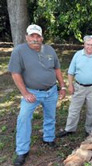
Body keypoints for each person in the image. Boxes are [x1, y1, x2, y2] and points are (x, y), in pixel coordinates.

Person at [8, 24, 66, 166]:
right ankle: (22, 151)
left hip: (51, 91)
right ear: (26, 37)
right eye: (32, 36)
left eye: (38, 36)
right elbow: (15, 73)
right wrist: (25, 93)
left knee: (50, 115)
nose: (35, 39)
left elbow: (57, 68)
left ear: (42, 37)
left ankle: (49, 138)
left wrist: (62, 86)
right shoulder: (19, 51)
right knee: (23, 119)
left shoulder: (50, 49)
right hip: (32, 92)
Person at [57, 35, 92, 138]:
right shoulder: (77, 55)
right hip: (79, 87)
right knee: (74, 109)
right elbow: (70, 72)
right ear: (84, 44)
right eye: (88, 44)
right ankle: (70, 129)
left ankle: (89, 130)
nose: (89, 47)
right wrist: (70, 85)